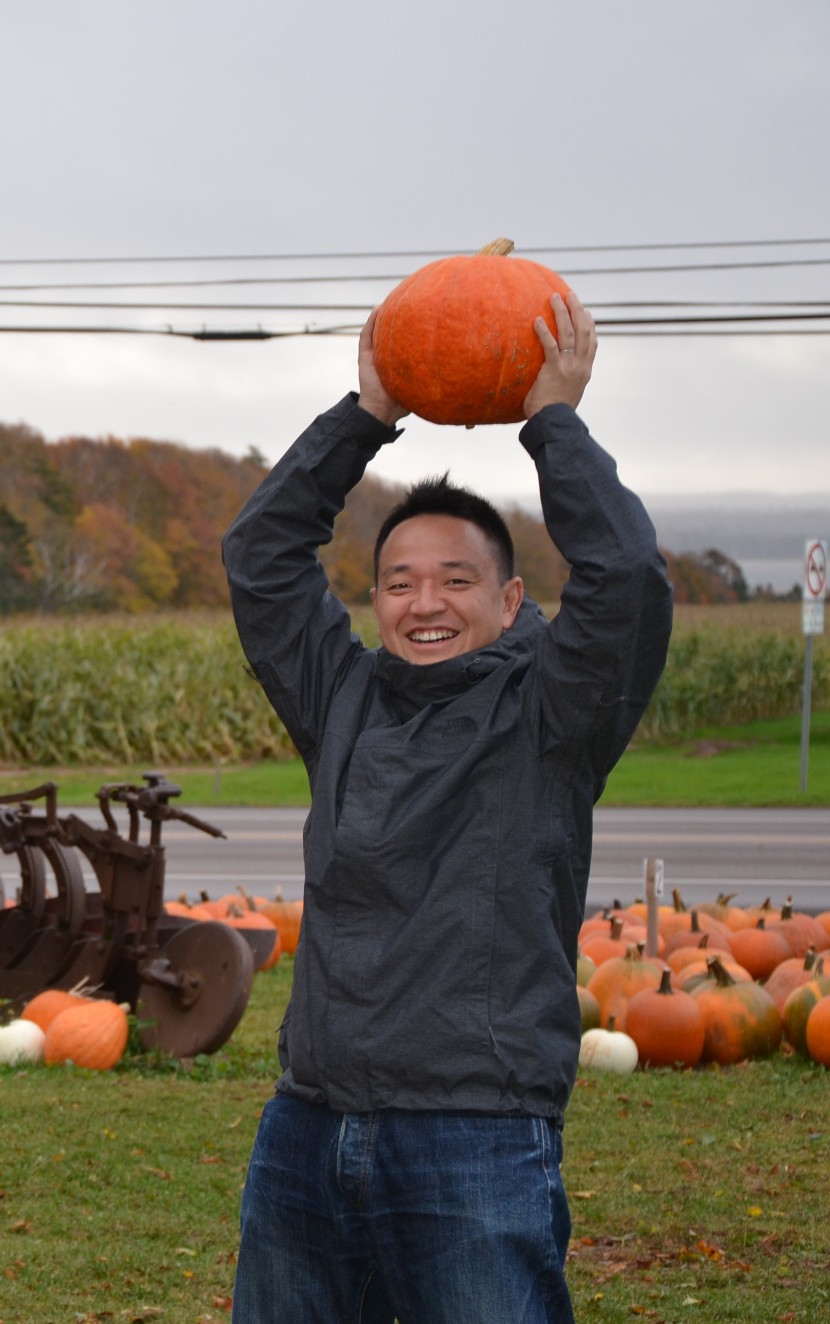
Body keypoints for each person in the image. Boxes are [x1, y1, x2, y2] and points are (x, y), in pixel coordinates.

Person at [222, 292, 672, 1322]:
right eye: (397, 582)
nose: (423, 602)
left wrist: (550, 422)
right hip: (307, 1121)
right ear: (374, 600)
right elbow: (260, 557)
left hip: (471, 1134)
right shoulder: (340, 697)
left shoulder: (551, 712)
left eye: (455, 580)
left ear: (510, 600)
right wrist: (365, 412)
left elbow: (626, 580)